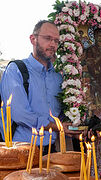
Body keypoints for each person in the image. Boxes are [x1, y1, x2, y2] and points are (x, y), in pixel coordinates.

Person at [0, 20, 70, 155]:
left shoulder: (58, 76)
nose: (53, 44)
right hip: (20, 151)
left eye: (56, 41)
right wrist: (57, 127)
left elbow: (60, 114)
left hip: (51, 150)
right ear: (33, 39)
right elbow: (20, 114)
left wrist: (70, 127)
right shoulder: (16, 70)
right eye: (48, 38)